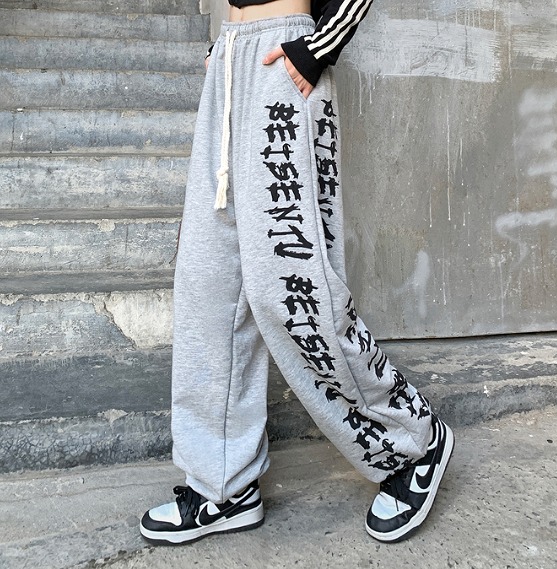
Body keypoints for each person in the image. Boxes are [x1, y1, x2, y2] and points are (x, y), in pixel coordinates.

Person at [140, 0, 454, 545]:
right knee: (207, 286)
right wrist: (224, 48)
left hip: (283, 59)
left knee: (289, 290)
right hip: (231, 58)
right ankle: (224, 485)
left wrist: (320, 47)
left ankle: (413, 443)